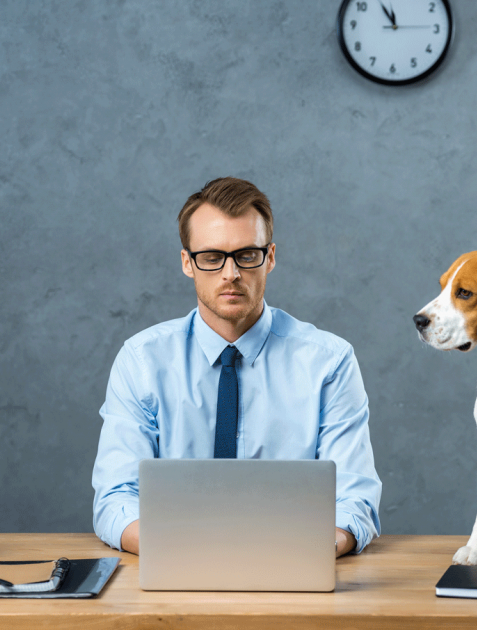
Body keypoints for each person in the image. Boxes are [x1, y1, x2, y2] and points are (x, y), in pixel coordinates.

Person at [92, 177, 381, 557]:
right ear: (187, 263)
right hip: (175, 566)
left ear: (271, 257)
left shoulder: (329, 361)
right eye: (212, 258)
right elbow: (115, 497)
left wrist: (313, 545)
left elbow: (355, 497)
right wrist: (183, 549)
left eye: (246, 255)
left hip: (294, 565)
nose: (231, 273)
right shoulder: (142, 361)